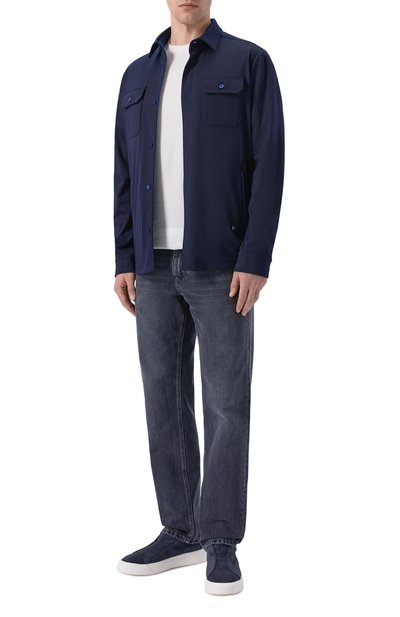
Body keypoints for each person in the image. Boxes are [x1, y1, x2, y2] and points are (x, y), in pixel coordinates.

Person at [113, 0, 285, 596]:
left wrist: (255, 258)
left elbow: (269, 162)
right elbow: (123, 171)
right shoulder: (137, 75)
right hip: (151, 268)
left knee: (226, 405)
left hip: (222, 263)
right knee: (162, 398)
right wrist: (124, 256)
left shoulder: (248, 62)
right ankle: (180, 529)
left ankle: (220, 539)